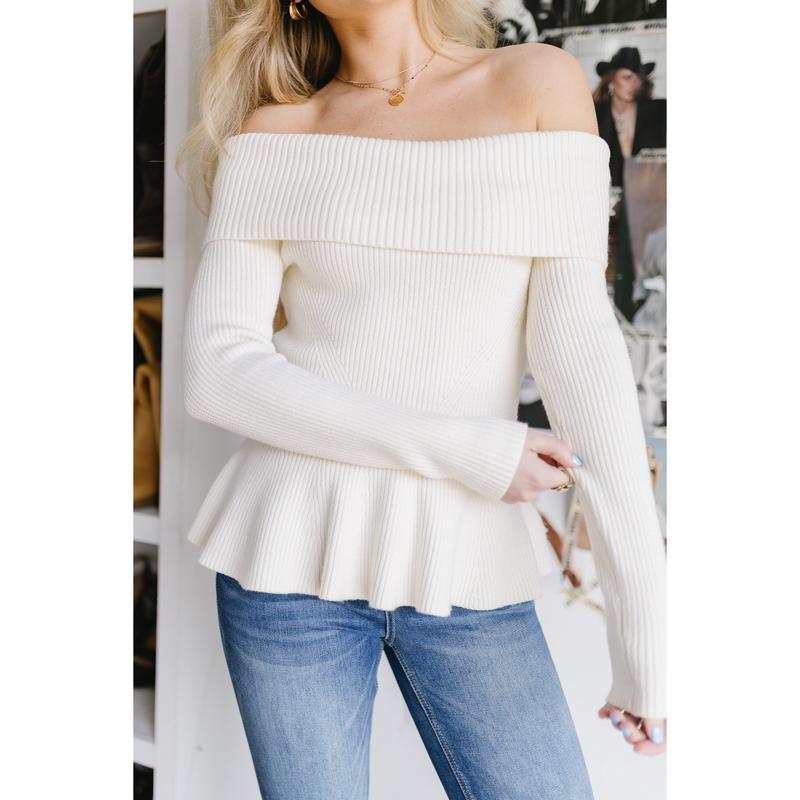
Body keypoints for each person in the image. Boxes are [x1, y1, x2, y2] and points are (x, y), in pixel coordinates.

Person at [177, 2, 667, 798]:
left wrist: (647, 646)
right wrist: (470, 450)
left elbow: (585, 364)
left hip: (469, 560)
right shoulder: (277, 131)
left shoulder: (536, 83)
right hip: (287, 555)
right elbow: (217, 370)